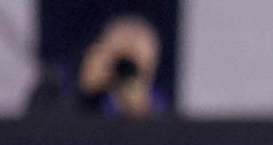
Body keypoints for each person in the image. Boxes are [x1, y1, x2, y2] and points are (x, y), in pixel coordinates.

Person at [26, 14, 168, 117]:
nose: (123, 69)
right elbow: (38, 135)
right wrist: (84, 93)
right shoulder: (54, 85)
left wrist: (141, 114)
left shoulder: (160, 107)